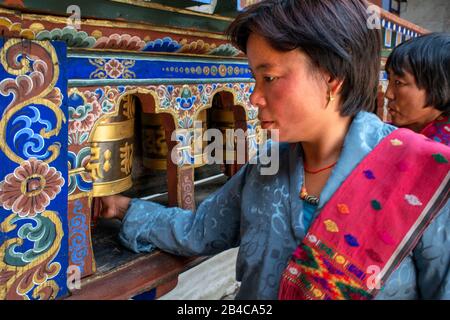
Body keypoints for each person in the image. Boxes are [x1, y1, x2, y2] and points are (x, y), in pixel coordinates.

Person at [99, 0, 450, 300]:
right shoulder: (268, 165)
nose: (253, 97)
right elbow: (199, 230)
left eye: (269, 77)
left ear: (331, 76)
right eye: (253, 78)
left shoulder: (427, 176)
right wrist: (127, 209)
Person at [385, 32, 450, 145]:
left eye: (398, 82)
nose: (388, 94)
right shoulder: (386, 133)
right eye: (389, 80)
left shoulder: (444, 153)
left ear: (439, 88)